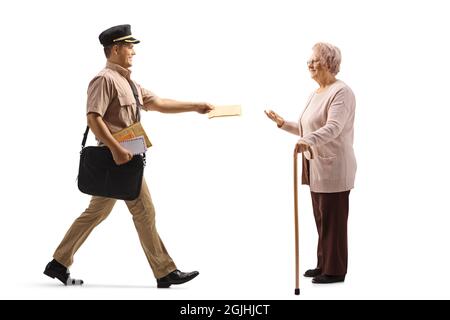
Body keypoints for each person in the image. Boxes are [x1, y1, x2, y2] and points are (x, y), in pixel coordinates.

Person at [44, 24, 214, 288]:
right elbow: (93, 117)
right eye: (129, 46)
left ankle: (58, 262)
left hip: (126, 157)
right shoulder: (104, 79)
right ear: (115, 49)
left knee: (96, 213)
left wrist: (196, 107)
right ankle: (165, 272)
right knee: (145, 211)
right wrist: (115, 148)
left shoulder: (129, 82)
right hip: (117, 159)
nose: (133, 51)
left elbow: (158, 103)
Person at [265, 42, 356, 284]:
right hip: (315, 165)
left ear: (328, 63)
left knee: (333, 219)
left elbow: (333, 128)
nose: (310, 64)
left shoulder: (341, 92)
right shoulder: (315, 93)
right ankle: (323, 263)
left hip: (334, 166)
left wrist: (308, 139)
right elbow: (308, 128)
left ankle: (335, 271)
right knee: (321, 217)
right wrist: (284, 123)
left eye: (315, 60)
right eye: (309, 60)